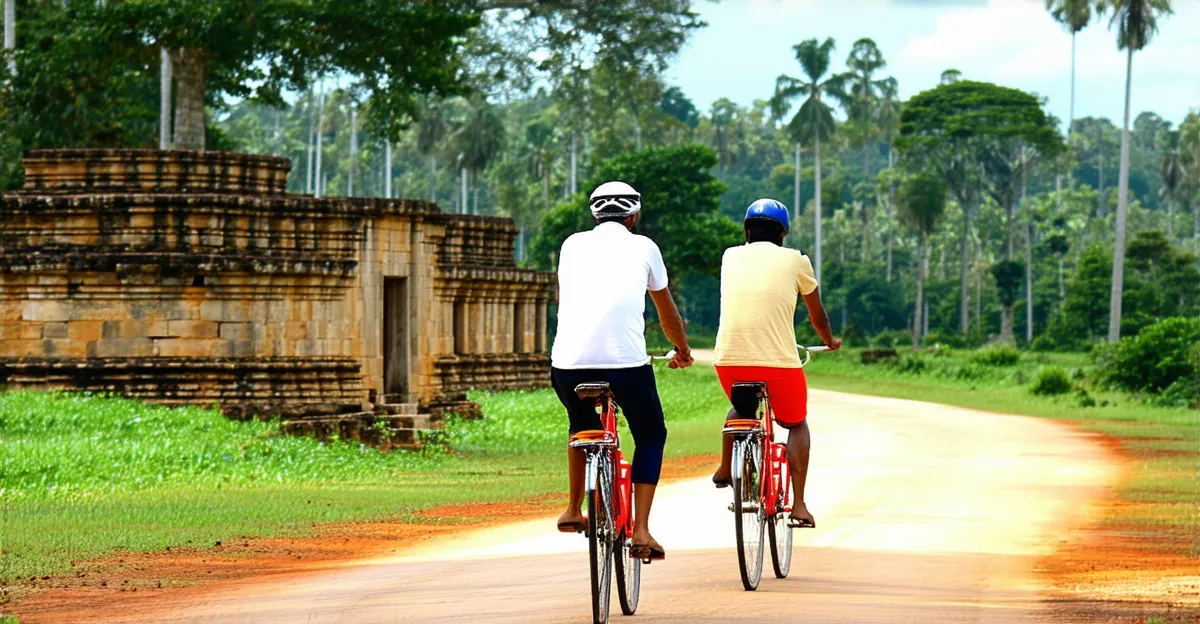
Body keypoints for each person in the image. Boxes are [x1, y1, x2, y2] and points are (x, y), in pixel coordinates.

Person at [551, 180, 694, 561]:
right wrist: (681, 350)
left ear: (594, 215)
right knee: (650, 434)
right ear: (634, 215)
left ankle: (571, 509)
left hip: (567, 366)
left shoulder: (570, 245)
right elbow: (668, 316)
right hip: (626, 367)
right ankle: (643, 530)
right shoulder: (645, 246)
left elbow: (564, 302)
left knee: (581, 427)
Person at [710, 198, 841, 529]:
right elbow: (816, 314)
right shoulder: (797, 261)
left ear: (746, 231)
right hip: (779, 366)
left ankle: (726, 468)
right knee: (796, 423)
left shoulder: (729, 256)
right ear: (783, 234)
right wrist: (829, 340)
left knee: (741, 405)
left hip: (729, 361)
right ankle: (798, 505)